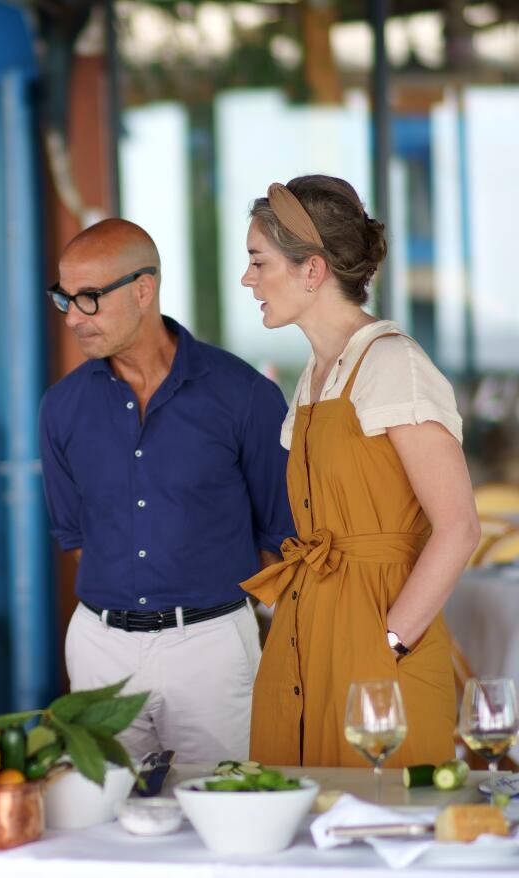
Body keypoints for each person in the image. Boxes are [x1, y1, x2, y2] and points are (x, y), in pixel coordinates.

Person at [239, 175, 479, 767]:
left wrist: (389, 641)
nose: (248, 279)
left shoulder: (394, 363)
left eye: (258, 262)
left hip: (377, 632)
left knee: (381, 825)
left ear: (312, 271)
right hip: (309, 631)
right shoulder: (317, 374)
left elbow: (460, 528)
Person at [38, 219, 294, 763]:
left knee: (224, 810)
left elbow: (279, 535)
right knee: (96, 814)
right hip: (99, 647)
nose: (74, 319)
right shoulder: (61, 407)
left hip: (212, 646)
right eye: (65, 298)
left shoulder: (246, 396)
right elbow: (78, 535)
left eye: (89, 299)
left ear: (143, 289)